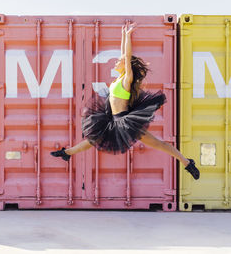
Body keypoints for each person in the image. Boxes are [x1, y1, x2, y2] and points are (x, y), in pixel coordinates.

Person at [51, 23, 199, 180]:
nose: (115, 62)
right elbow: (123, 54)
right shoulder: (118, 79)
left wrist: (128, 36)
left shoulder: (127, 80)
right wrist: (122, 35)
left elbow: (126, 56)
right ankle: (66, 153)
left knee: (158, 144)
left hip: (125, 122)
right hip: (113, 120)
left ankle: (187, 162)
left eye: (118, 61)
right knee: (92, 140)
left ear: (125, 66)